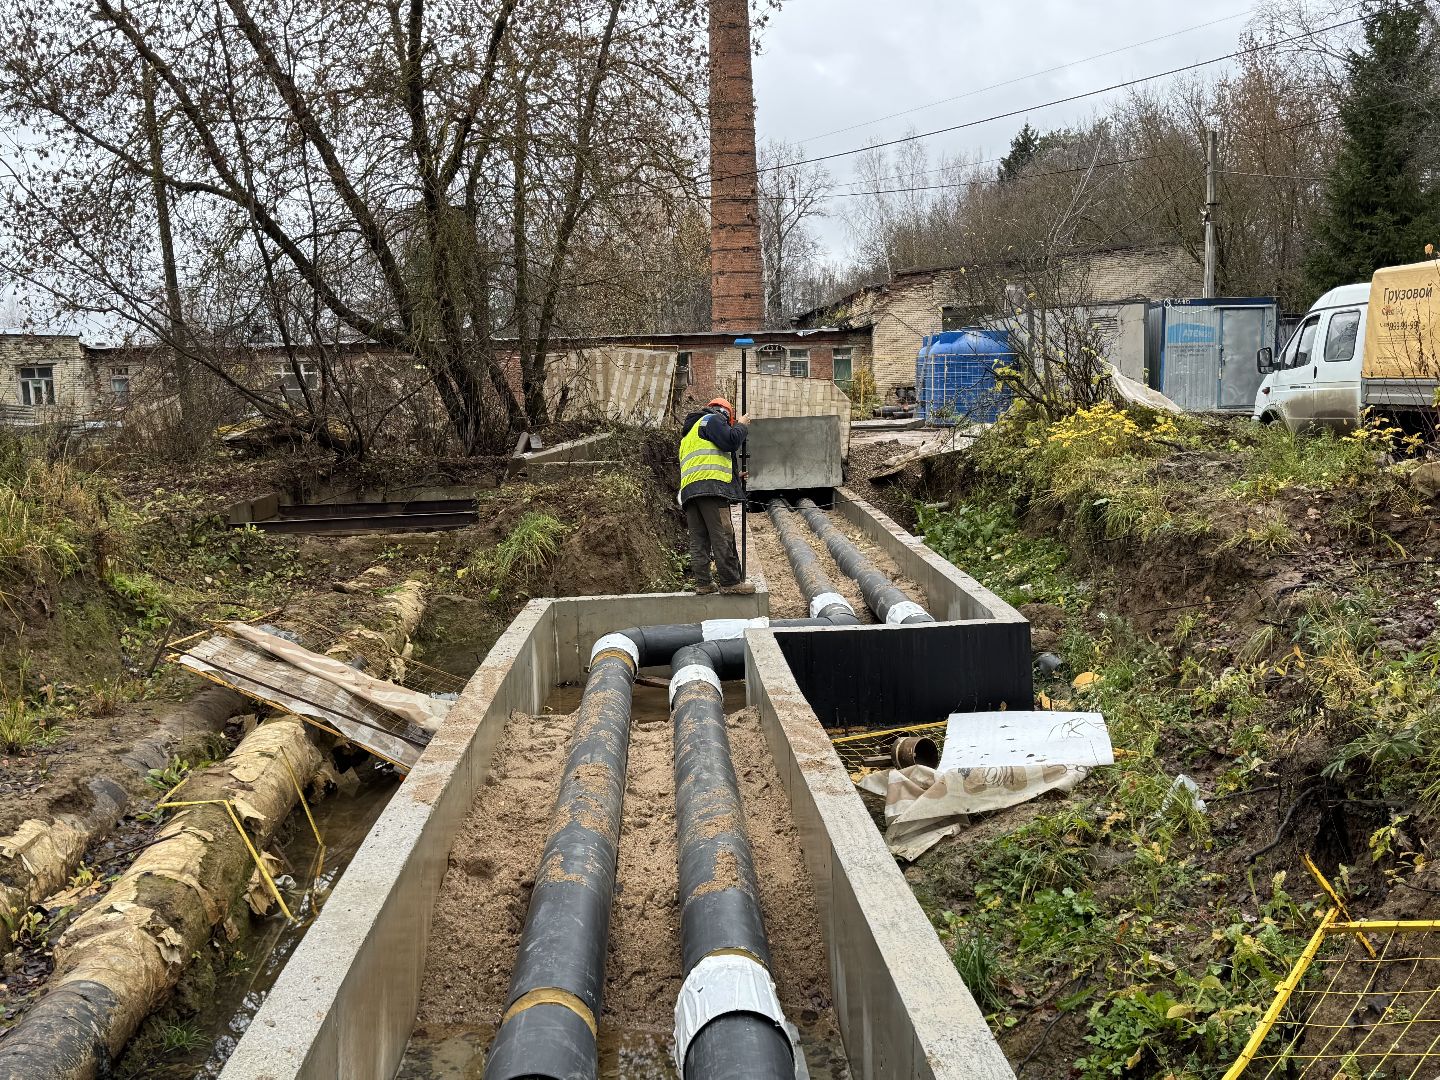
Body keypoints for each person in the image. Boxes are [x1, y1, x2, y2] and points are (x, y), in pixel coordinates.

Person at [677, 396, 754, 595]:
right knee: (723, 534)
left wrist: (733, 477)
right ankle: (730, 582)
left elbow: (705, 462)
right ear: (726, 414)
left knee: (699, 539)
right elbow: (730, 441)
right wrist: (741, 426)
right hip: (711, 491)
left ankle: (703, 583)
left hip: (691, 493)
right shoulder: (712, 419)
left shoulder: (688, 435)